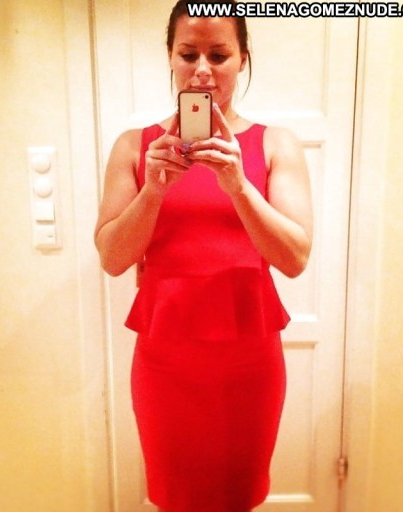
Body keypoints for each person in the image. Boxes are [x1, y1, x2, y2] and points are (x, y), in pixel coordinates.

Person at [94, 1, 313, 510]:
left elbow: (295, 257)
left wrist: (238, 186)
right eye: (188, 53)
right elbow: (112, 257)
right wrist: (153, 190)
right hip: (165, 364)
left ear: (242, 59)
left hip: (249, 363)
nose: (202, 70)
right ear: (170, 56)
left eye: (219, 54)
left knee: (238, 495)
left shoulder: (276, 145)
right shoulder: (135, 147)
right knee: (175, 497)